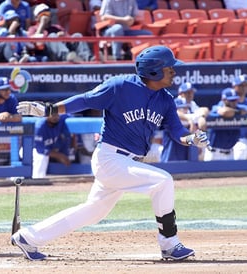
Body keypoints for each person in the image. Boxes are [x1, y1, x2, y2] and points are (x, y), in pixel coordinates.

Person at [12, 45, 210, 261]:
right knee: (163, 181)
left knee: (94, 211)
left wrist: (191, 139)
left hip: (126, 162)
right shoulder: (121, 86)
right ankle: (169, 244)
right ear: (154, 71)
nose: (174, 72)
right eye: (170, 68)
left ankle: (28, 238)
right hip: (110, 158)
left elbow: (177, 130)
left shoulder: (165, 99)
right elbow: (85, 100)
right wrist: (51, 109)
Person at [27, 3, 94, 62]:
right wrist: (42, 24)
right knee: (52, 36)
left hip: (63, 49)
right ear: (36, 18)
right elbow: (33, 44)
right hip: (46, 53)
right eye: (43, 14)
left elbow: (70, 39)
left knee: (77, 35)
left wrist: (63, 36)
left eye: (48, 14)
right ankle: (67, 57)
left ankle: (88, 58)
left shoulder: (56, 27)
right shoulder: (33, 29)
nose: (47, 16)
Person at [161, 82, 209, 162]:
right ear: (181, 93)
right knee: (171, 165)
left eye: (191, 92)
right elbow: (174, 112)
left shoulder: (192, 104)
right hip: (173, 144)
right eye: (187, 92)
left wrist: (202, 117)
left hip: (187, 145)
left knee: (188, 168)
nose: (190, 95)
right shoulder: (176, 101)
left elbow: (205, 110)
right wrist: (189, 119)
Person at [204, 88, 247, 161]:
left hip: (230, 153)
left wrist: (236, 112)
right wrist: (238, 113)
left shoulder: (239, 107)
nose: (234, 103)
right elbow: (224, 112)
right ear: (223, 100)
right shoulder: (217, 107)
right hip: (213, 153)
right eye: (231, 100)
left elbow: (245, 110)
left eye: (235, 100)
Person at [32, 113, 73, 178]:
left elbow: (70, 115)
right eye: (53, 115)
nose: (55, 117)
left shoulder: (61, 119)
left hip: (49, 148)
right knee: (41, 157)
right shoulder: (40, 126)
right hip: (29, 149)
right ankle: (38, 180)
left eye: (57, 115)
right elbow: (40, 149)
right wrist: (60, 156)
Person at [231, 75, 247, 160]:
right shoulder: (229, 102)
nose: (244, 88)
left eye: (245, 85)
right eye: (241, 85)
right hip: (235, 141)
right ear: (234, 86)